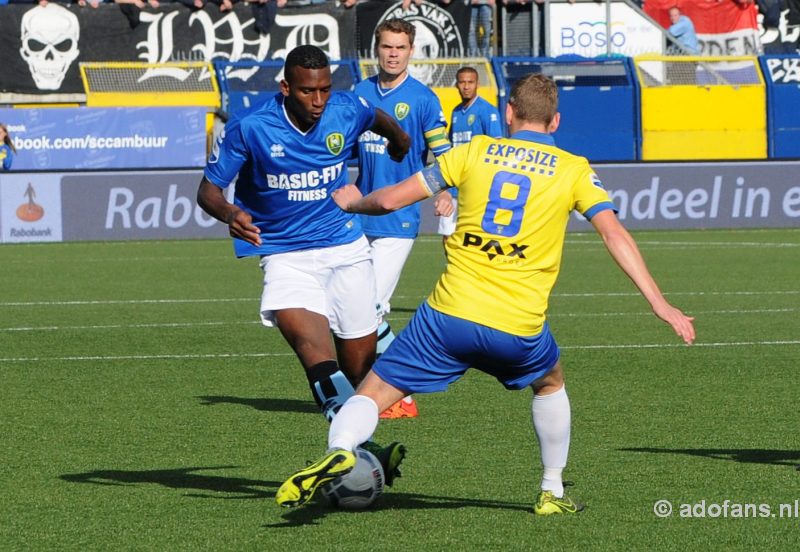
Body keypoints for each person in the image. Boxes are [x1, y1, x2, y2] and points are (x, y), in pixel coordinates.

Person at [275, 73, 697, 513]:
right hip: (517, 326)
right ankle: (552, 490)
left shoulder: (473, 150)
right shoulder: (574, 169)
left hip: (446, 318)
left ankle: (342, 445)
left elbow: (388, 201)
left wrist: (352, 202)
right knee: (550, 382)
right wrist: (659, 303)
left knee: (374, 392)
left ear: (508, 113)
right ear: (555, 122)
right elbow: (614, 234)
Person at [196, 45, 411, 484]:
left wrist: (401, 142)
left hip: (346, 251)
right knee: (313, 353)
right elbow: (208, 191)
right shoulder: (251, 128)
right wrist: (232, 214)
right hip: (285, 255)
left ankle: (359, 450)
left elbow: (379, 118)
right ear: (286, 87)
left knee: (360, 368)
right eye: (308, 92)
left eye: (325, 90)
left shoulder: (345, 109)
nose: (318, 101)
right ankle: (352, 453)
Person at [354, 18, 454, 420]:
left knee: (372, 308)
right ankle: (369, 391)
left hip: (399, 218)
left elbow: (444, 154)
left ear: (411, 51)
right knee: (349, 310)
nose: (393, 53)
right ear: (376, 50)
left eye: (400, 47)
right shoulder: (359, 94)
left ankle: (400, 393)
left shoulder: (423, 99)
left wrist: (445, 190)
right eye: (386, 47)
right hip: (360, 216)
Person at [437, 66, 503, 245]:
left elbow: (497, 147)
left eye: (470, 82)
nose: (466, 86)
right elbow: (451, 147)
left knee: (475, 237)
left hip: (476, 184)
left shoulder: (487, 111)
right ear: (457, 85)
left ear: (477, 85)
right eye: (462, 82)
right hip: (454, 185)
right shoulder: (456, 112)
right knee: (448, 236)